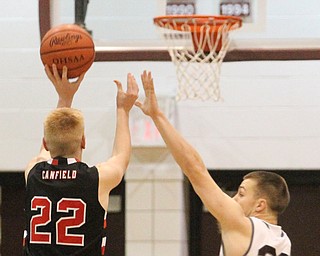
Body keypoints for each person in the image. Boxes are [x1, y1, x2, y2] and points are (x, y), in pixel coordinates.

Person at [134, 70, 291, 256]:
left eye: (241, 194)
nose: (233, 199)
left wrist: (157, 116)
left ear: (260, 205)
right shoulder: (283, 241)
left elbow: (195, 169)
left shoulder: (242, 225)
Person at [23, 64, 138, 255]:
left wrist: (64, 98)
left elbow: (48, 146)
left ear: (45, 142)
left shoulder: (33, 173)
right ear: (83, 141)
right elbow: (121, 156)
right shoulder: (96, 178)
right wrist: (123, 110)